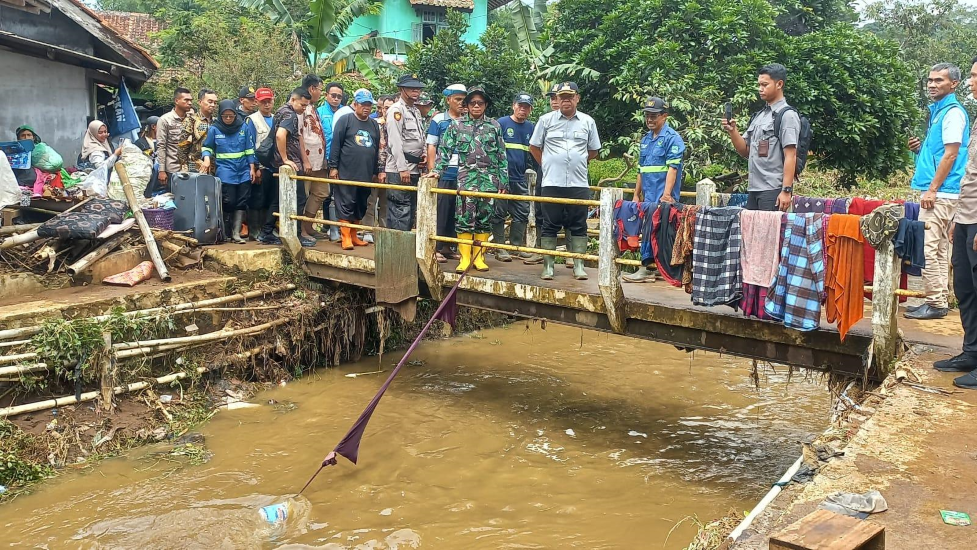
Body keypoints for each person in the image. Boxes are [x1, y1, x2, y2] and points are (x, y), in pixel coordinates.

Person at [905, 63, 971, 321]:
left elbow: (952, 154)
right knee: (941, 248)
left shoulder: (952, 113)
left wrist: (932, 189)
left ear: (954, 84)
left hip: (942, 192)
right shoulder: (939, 112)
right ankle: (939, 299)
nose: (932, 85)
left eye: (939, 80)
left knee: (928, 248)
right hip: (943, 190)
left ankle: (934, 302)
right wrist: (919, 149)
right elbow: (938, 152)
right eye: (930, 80)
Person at [429, 87, 508, 273]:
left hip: (489, 181)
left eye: (480, 103)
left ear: (486, 105)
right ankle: (465, 258)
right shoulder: (456, 126)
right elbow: (445, 150)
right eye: (472, 103)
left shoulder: (494, 126)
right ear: (467, 105)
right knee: (464, 218)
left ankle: (478, 257)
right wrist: (437, 171)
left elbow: (501, 155)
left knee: (484, 219)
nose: (476, 106)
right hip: (466, 180)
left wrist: (503, 181)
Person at [529, 82, 600, 281]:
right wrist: (548, 163)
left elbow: (593, 150)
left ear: (577, 98)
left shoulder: (587, 121)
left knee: (579, 224)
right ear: (557, 100)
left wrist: (578, 161)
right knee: (550, 224)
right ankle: (548, 267)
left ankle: (578, 265)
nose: (566, 100)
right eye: (562, 97)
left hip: (578, 183)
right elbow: (534, 147)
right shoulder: (545, 120)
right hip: (552, 182)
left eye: (570, 96)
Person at [722, 63, 800, 212]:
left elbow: (791, 155)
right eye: (759, 84)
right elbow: (745, 151)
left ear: (779, 84)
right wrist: (733, 131)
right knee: (752, 234)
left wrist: (786, 191)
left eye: (765, 85)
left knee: (769, 234)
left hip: (773, 190)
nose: (760, 89)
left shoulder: (787, 115)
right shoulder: (759, 116)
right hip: (754, 189)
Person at [624, 96, 686, 284]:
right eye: (647, 116)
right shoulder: (645, 140)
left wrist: (667, 195)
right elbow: (641, 170)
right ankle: (654, 269)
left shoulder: (672, 139)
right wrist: (636, 194)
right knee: (649, 230)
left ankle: (648, 269)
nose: (650, 120)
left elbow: (673, 169)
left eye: (654, 116)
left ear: (664, 116)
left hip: (663, 197)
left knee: (661, 232)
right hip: (648, 197)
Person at [944, 57, 977, 388]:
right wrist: (958, 217)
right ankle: (971, 352)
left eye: (974, 77)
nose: (970, 82)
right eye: (970, 76)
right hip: (966, 215)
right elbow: (971, 176)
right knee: (965, 289)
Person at [258, 87, 314, 247]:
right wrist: (286, 159)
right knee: (299, 199)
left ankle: (266, 232)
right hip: (289, 165)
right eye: (303, 105)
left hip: (279, 164)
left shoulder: (281, 110)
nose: (304, 109)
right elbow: (280, 135)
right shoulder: (289, 114)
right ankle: (295, 235)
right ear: (294, 100)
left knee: (277, 200)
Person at [329, 89, 383, 250]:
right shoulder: (345, 120)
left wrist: (375, 170)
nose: (367, 108)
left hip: (365, 173)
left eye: (369, 105)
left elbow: (375, 149)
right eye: (363, 104)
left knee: (361, 203)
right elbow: (336, 144)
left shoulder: (373, 124)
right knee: (346, 202)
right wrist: (333, 167)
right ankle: (345, 236)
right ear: (356, 104)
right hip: (346, 171)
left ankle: (354, 235)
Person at [201, 100, 257, 243]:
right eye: (224, 116)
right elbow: (207, 147)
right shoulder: (215, 129)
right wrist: (206, 159)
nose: (228, 119)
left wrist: (252, 168)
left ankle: (236, 233)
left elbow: (249, 149)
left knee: (242, 201)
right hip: (225, 171)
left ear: (235, 114)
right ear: (220, 115)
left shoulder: (243, 127)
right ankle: (225, 231)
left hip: (243, 170)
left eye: (230, 116)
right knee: (229, 200)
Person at [490, 92, 536, 262]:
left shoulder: (531, 128)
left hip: (520, 178)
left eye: (526, 107)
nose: (522, 110)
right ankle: (500, 248)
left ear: (530, 110)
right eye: (520, 106)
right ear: (513, 105)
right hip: (501, 178)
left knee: (523, 212)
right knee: (499, 212)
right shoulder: (501, 123)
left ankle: (516, 247)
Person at [426, 84, 467, 263]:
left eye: (463, 100)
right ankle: (436, 247)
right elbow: (431, 145)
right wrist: (433, 169)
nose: (461, 103)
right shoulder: (439, 120)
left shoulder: (468, 120)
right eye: (457, 99)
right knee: (442, 208)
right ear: (448, 100)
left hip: (465, 171)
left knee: (458, 210)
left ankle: (449, 246)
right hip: (445, 170)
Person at [385, 73, 428, 231]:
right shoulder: (396, 110)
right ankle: (397, 252)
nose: (416, 91)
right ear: (402, 89)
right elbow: (394, 142)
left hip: (414, 168)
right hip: (399, 169)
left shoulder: (415, 111)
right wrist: (402, 168)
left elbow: (420, 136)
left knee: (410, 210)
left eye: (418, 88)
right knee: (400, 210)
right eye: (411, 88)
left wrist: (423, 153)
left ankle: (405, 250)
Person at [298, 74, 329, 243]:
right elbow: (300, 136)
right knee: (304, 194)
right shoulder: (302, 108)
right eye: (320, 89)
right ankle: (302, 230)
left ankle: (308, 225)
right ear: (312, 89)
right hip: (308, 162)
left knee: (321, 192)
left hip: (319, 162)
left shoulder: (313, 108)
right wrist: (305, 160)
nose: (321, 93)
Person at [246, 87, 276, 241]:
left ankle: (267, 230)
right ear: (257, 102)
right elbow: (250, 144)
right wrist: (255, 167)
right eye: (263, 102)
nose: (266, 104)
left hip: (274, 167)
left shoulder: (277, 118)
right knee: (257, 199)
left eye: (269, 101)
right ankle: (254, 230)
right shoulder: (252, 120)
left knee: (271, 199)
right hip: (261, 167)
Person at [156, 87, 193, 189]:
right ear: (176, 101)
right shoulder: (165, 120)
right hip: (173, 169)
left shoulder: (193, 119)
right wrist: (162, 170)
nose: (189, 103)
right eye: (186, 100)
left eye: (191, 100)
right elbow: (161, 146)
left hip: (191, 169)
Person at [180, 88, 218, 172]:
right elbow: (182, 146)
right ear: (200, 102)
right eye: (210, 102)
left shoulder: (217, 122)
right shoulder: (191, 120)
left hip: (214, 167)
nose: (213, 105)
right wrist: (184, 166)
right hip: (195, 166)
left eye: (215, 103)